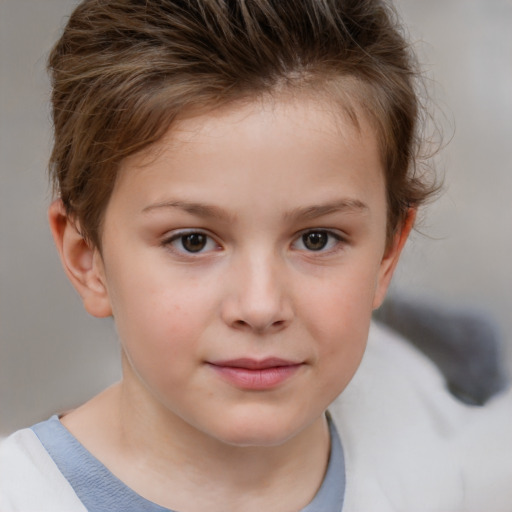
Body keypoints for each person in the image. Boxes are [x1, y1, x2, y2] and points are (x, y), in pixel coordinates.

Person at [0, 0, 509, 510]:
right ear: (87, 258)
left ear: (386, 255)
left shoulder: (445, 470)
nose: (261, 307)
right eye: (192, 241)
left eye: (317, 239)